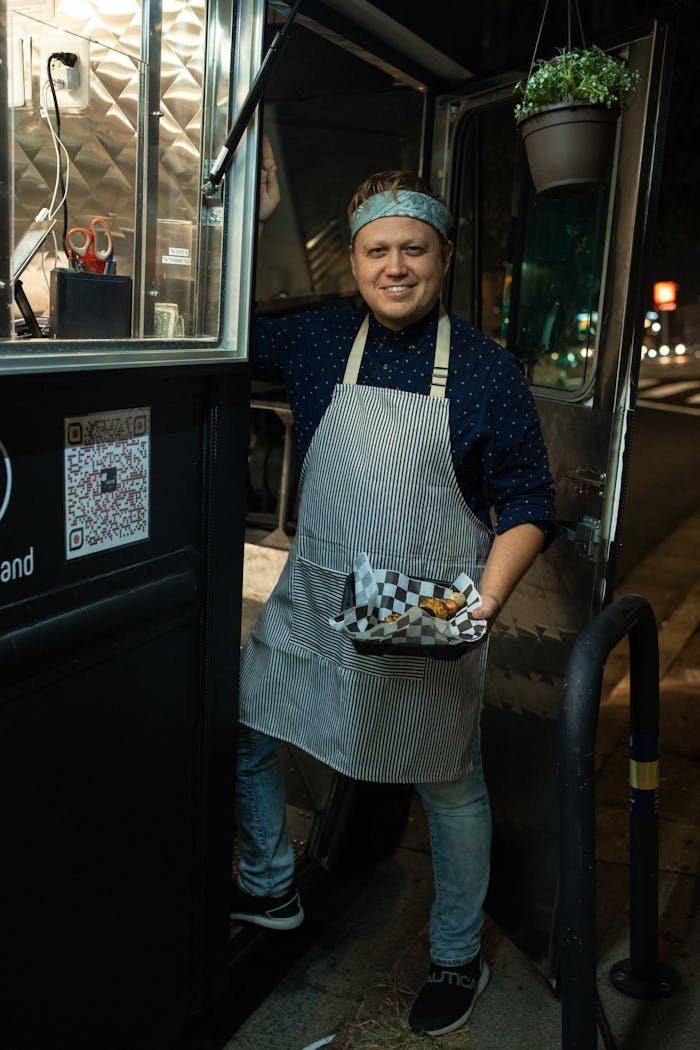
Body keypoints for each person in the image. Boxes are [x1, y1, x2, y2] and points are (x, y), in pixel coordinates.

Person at [231, 136, 557, 1038]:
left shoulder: (486, 370)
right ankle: (270, 890)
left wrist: (482, 603)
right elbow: (226, 330)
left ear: (444, 258)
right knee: (248, 731)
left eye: (414, 248)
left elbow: (527, 501)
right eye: (378, 250)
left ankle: (457, 954)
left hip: (418, 605)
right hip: (314, 602)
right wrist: (255, 227)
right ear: (356, 259)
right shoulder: (321, 338)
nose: (395, 266)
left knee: (450, 787)